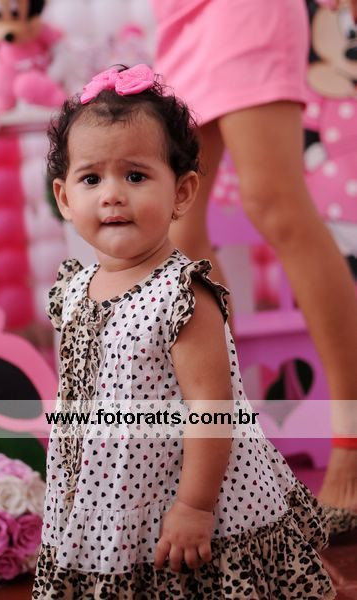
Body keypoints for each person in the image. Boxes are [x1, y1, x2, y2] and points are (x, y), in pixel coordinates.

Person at [32, 64, 335, 599]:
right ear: (64, 198)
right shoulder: (74, 289)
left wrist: (195, 506)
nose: (112, 195)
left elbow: (213, 409)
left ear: (182, 191)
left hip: (185, 494)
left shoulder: (181, 296)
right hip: (109, 494)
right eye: (91, 179)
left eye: (135, 176)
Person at [150, 0, 357, 522]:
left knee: (274, 202)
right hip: (181, 18)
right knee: (178, 232)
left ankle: (352, 439)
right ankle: (229, 446)